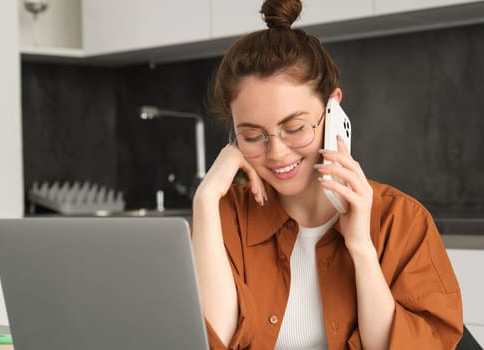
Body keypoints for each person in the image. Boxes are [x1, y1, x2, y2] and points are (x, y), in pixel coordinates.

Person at [191, 0, 464, 349]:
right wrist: (205, 200)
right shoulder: (224, 216)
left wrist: (361, 247)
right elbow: (209, 342)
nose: (276, 153)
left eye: (295, 127)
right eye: (252, 135)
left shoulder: (403, 221)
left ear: (333, 109)